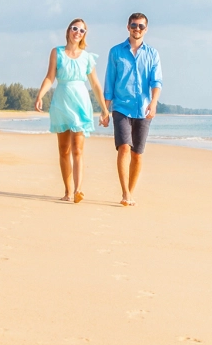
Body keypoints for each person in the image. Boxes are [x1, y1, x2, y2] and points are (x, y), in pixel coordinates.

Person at [33, 18, 109, 203]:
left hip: (81, 104)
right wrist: (40, 95)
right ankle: (67, 191)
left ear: (84, 35)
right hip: (61, 102)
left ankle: (78, 190)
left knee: (78, 149)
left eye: (82, 31)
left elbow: (95, 84)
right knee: (63, 150)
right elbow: (50, 77)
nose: (77, 32)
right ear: (68, 31)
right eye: (75, 29)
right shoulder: (57, 52)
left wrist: (105, 109)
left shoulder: (87, 57)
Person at [103, 12, 162, 207]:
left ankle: (131, 190)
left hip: (144, 109)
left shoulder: (153, 54)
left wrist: (153, 103)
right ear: (128, 27)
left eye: (141, 26)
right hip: (121, 108)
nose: (137, 29)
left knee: (137, 153)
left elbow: (156, 81)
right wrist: (105, 110)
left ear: (146, 29)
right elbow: (109, 84)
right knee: (124, 148)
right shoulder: (116, 52)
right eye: (134, 25)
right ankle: (125, 193)